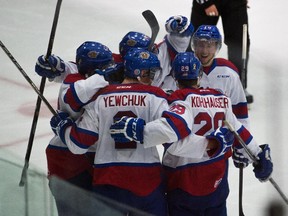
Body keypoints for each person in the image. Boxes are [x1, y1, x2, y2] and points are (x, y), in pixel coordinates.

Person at [110, 52, 273, 216]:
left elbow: (173, 143)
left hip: (183, 184)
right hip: (217, 184)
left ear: (174, 77)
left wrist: (141, 131)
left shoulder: (175, 100)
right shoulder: (221, 98)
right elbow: (237, 130)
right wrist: (257, 155)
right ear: (200, 76)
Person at [49, 48, 170, 216]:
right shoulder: (156, 95)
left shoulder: (100, 97)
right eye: (150, 73)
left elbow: (78, 144)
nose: (152, 78)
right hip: (146, 179)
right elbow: (171, 130)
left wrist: (63, 127)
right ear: (140, 73)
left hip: (108, 180)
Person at [35, 41, 114, 216]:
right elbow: (78, 91)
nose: (110, 68)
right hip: (67, 158)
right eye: (105, 66)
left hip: (86, 157)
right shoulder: (76, 86)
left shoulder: (84, 77)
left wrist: (61, 66)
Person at [189, 0, 254, 103]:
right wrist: (206, 2)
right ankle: (190, 80)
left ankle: (239, 85)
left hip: (234, 3)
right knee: (198, 40)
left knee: (240, 42)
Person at [191, 25, 249, 128]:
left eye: (209, 46)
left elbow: (240, 112)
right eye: (201, 45)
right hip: (192, 140)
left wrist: (243, 141)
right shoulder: (186, 69)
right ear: (194, 45)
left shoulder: (228, 72)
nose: (204, 51)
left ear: (217, 46)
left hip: (222, 140)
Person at [152, 15, 194, 91]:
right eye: (181, 35)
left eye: (187, 35)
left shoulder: (189, 55)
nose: (184, 39)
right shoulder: (159, 55)